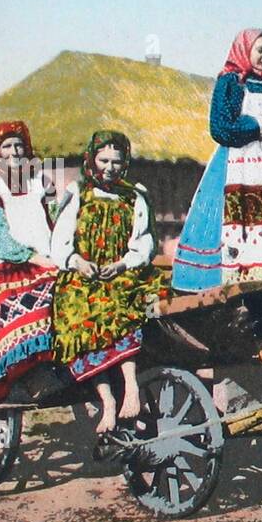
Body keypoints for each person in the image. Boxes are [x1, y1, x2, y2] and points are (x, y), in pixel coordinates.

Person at [173, 28, 262, 292]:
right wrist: (256, 129)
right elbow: (220, 127)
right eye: (260, 50)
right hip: (239, 168)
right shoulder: (230, 83)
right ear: (245, 49)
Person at [50, 130, 168, 433]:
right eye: (104, 160)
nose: (110, 167)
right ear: (92, 159)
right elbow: (60, 243)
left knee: (123, 304)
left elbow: (144, 244)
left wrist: (121, 264)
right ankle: (107, 400)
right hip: (83, 276)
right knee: (80, 315)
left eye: (116, 162)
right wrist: (78, 262)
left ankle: (131, 387)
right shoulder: (79, 193)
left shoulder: (135, 195)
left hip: (121, 271)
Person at [0, 120, 60, 399]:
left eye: (19, 144)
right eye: (7, 146)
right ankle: (27, 369)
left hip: (47, 257)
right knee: (35, 295)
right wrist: (31, 257)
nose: (15, 151)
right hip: (5, 262)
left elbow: (55, 221)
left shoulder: (40, 182)